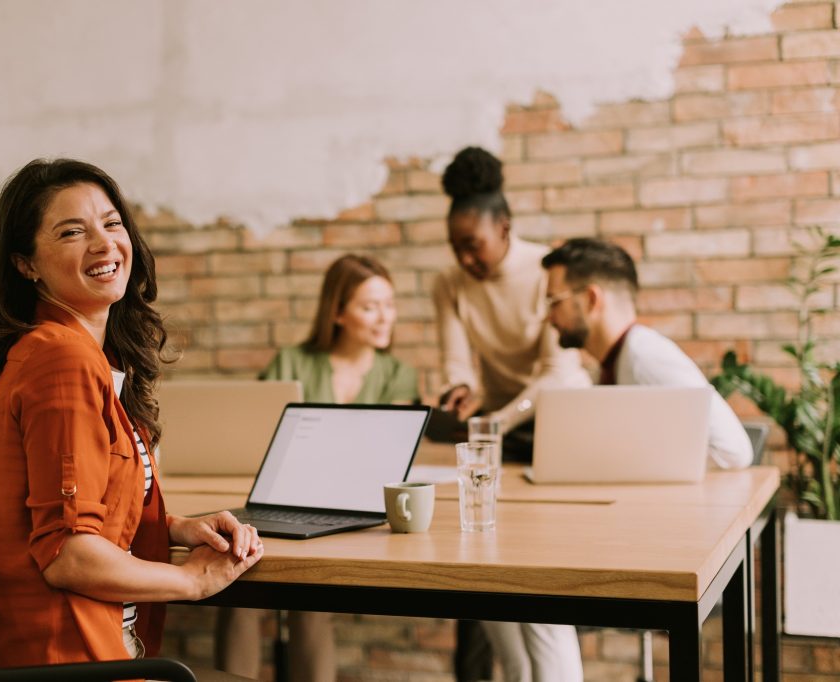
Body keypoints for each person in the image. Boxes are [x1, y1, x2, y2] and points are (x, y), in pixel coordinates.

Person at [0, 159, 263, 671]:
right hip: (71, 660)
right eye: (72, 232)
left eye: (112, 222)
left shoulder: (74, 354)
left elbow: (84, 509)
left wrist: (174, 527)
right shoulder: (62, 358)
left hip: (74, 652)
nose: (103, 244)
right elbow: (68, 555)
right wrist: (193, 580)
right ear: (25, 263)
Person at [215, 254, 419, 681]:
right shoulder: (292, 362)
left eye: (390, 305)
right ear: (338, 312)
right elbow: (255, 438)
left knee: (311, 603)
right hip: (282, 502)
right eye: (370, 307)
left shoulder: (398, 374)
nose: (385, 319)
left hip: (349, 514)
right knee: (236, 589)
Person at [434, 147, 588, 682]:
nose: (465, 260)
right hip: (499, 434)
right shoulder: (450, 283)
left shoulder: (549, 270)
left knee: (540, 586)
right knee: (490, 568)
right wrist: (462, 392)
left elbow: (556, 373)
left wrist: (496, 418)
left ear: (504, 228)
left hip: (561, 430)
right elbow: (458, 364)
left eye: (472, 246)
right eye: (455, 248)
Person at [541, 237, 753, 468]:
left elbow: (732, 452)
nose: (548, 316)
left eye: (554, 301)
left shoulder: (645, 359)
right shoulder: (619, 360)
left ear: (592, 299)